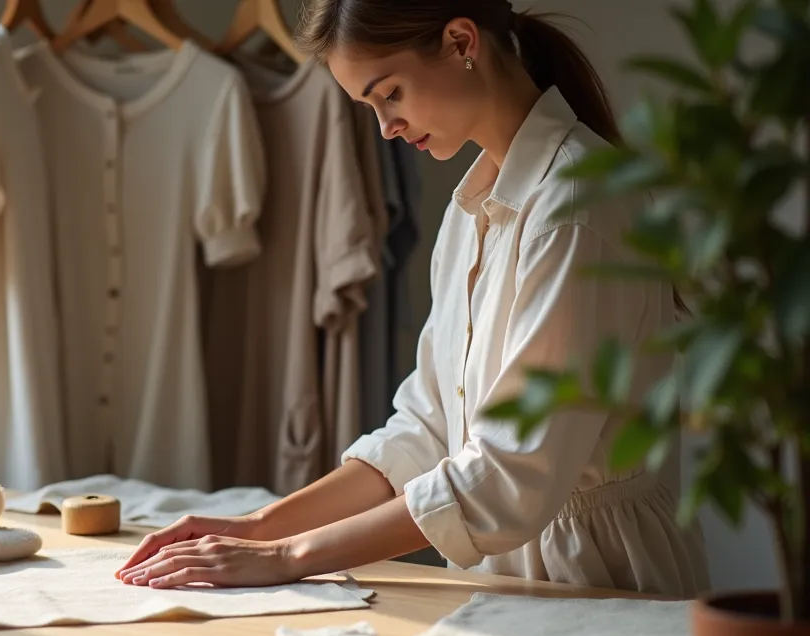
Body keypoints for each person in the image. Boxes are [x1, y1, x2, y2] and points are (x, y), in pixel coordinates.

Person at [115, 0, 712, 598]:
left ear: (461, 42)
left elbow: (510, 476)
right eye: (370, 107)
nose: (386, 128)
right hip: (504, 582)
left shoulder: (573, 204)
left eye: (390, 94)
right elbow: (427, 427)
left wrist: (286, 556)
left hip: (598, 581)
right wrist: (258, 527)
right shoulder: (470, 213)